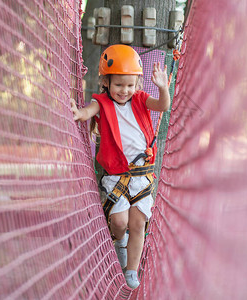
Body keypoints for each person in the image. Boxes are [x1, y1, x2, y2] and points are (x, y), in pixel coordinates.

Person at [70, 44, 170, 289]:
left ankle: (131, 271)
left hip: (142, 176)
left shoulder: (140, 99)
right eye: (118, 85)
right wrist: (79, 113)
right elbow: (88, 111)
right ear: (106, 82)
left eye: (129, 85)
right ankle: (120, 244)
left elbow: (162, 106)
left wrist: (163, 88)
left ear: (136, 84)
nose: (124, 90)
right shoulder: (103, 103)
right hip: (116, 177)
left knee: (138, 224)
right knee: (119, 223)